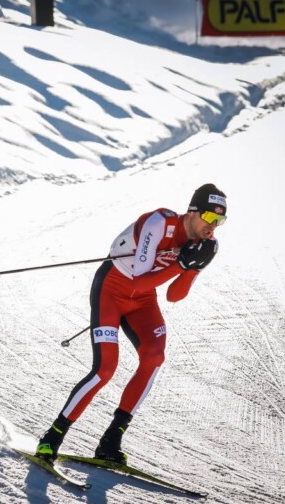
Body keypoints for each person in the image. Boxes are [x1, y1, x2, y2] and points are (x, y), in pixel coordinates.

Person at [35, 183, 226, 464]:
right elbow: (137, 280)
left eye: (220, 221)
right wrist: (180, 266)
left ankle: (111, 439)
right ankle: (52, 437)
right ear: (192, 212)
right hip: (112, 289)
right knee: (105, 369)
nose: (214, 227)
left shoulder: (206, 246)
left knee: (154, 356)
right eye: (210, 218)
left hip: (142, 300)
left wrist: (193, 267)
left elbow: (174, 296)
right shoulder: (159, 223)